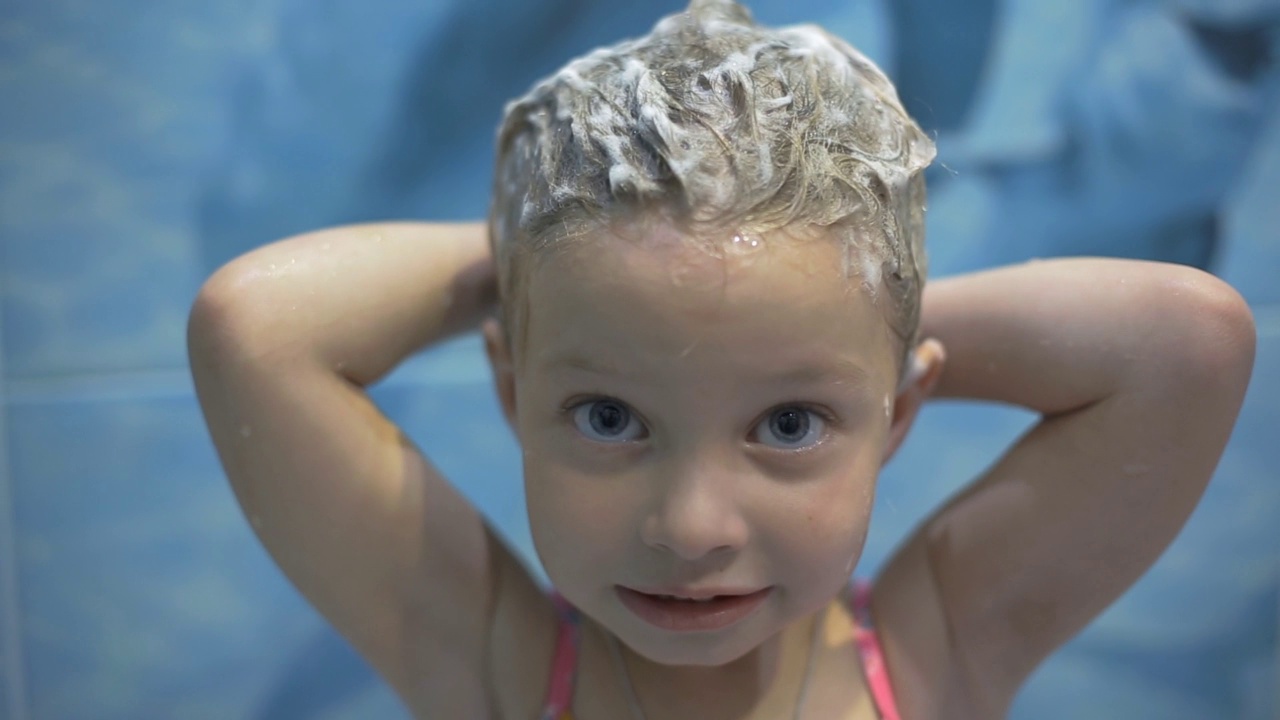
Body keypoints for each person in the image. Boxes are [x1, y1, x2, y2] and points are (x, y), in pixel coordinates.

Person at [186, 1, 1257, 718]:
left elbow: (1184, 341)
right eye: (607, 416)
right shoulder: (491, 665)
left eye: (789, 423)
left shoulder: (936, 650)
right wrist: (558, 264)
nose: (691, 528)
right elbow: (257, 326)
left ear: (896, 415)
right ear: (514, 392)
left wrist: (849, 302)